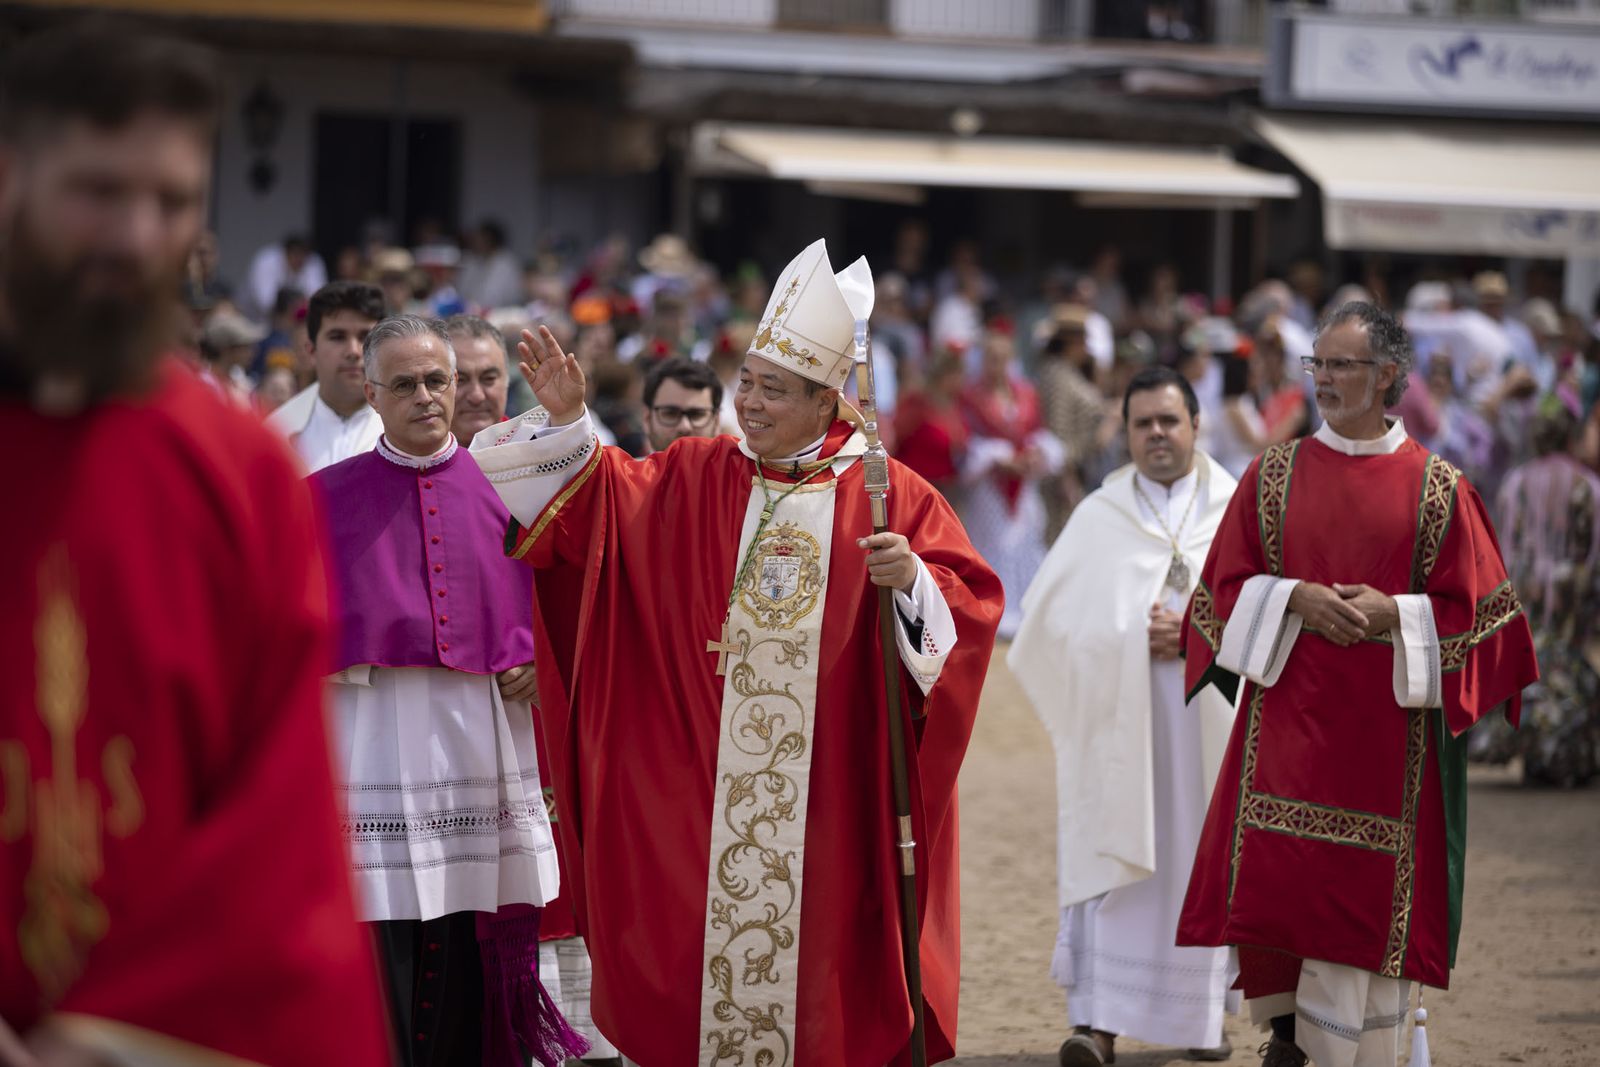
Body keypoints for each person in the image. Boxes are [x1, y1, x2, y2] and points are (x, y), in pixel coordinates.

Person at [471, 238, 1003, 1065]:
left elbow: (965, 616)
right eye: (746, 383)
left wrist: (913, 584)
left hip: (832, 792)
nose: (749, 405)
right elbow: (601, 505)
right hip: (701, 785)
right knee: (693, 964)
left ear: (829, 400)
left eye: (773, 390)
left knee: (821, 978)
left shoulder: (887, 490)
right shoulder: (697, 473)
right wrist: (572, 422)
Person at [0, 20, 388, 1064]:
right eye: (97, 190)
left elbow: (275, 826)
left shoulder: (237, 471)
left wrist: (95, 1041)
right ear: (10, 177)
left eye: (171, 202)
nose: (134, 235)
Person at [1178, 302, 1539, 1067]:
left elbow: (1484, 622)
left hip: (1386, 749)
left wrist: (1393, 614)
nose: (1323, 380)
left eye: (1341, 365)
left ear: (1387, 377)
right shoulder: (1273, 473)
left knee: (1361, 906)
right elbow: (1219, 594)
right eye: (1317, 364)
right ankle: (1288, 1037)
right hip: (1286, 734)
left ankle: (1338, 1050)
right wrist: (1293, 597)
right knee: (1281, 890)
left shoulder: (1441, 490)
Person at [310, 315, 581, 1067]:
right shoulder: (321, 496)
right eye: (405, 384)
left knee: (469, 924)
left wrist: (542, 660)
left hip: (480, 736)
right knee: (380, 934)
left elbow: (579, 581)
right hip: (371, 741)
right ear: (371, 393)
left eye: (439, 380)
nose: (427, 397)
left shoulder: (514, 483)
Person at [1011, 366, 1240, 1067]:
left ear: (1197, 426)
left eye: (1170, 420)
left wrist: (1199, 637)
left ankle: (1200, 1017)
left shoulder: (1237, 511)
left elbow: (1268, 613)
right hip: (1118, 730)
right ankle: (1098, 1022)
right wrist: (1125, 636)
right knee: (1115, 863)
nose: (1157, 434)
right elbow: (1048, 630)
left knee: (1199, 860)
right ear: (1127, 433)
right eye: (1143, 423)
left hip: (1206, 724)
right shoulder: (1098, 519)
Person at [1477, 401, 1600, 786]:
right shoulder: (1587, 487)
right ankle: (1564, 757)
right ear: (1570, 435)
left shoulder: (1515, 483)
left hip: (1523, 592)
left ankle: (1537, 754)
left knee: (1533, 668)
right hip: (1570, 595)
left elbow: (1504, 545)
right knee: (1566, 667)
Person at [960, 328, 1065, 640]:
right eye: (991, 359)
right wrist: (996, 458)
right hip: (989, 486)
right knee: (993, 544)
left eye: (1002, 359)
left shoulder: (1026, 393)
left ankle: (1025, 608)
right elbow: (965, 440)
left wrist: (1035, 454)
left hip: (1024, 483)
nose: (996, 365)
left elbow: (1037, 431)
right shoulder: (971, 396)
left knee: (1025, 541)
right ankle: (992, 609)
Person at [267, 280, 386, 471]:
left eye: (365, 337)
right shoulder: (278, 430)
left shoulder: (408, 424)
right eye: (338, 337)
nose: (353, 351)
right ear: (311, 350)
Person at [448, 313, 512, 446]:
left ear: (507, 380)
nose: (476, 396)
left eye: (488, 378)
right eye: (460, 380)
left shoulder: (538, 452)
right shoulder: (409, 460)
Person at [641, 356, 723, 453]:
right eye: (670, 414)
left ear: (717, 421)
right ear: (647, 418)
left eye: (696, 414)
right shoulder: (626, 468)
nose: (684, 426)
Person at [243, 232, 327, 322]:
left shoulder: (313, 261)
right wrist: (299, 304)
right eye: (295, 254)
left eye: (303, 255)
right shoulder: (266, 261)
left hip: (293, 321)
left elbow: (318, 299)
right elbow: (266, 303)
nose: (299, 259)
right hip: (253, 318)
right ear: (286, 252)